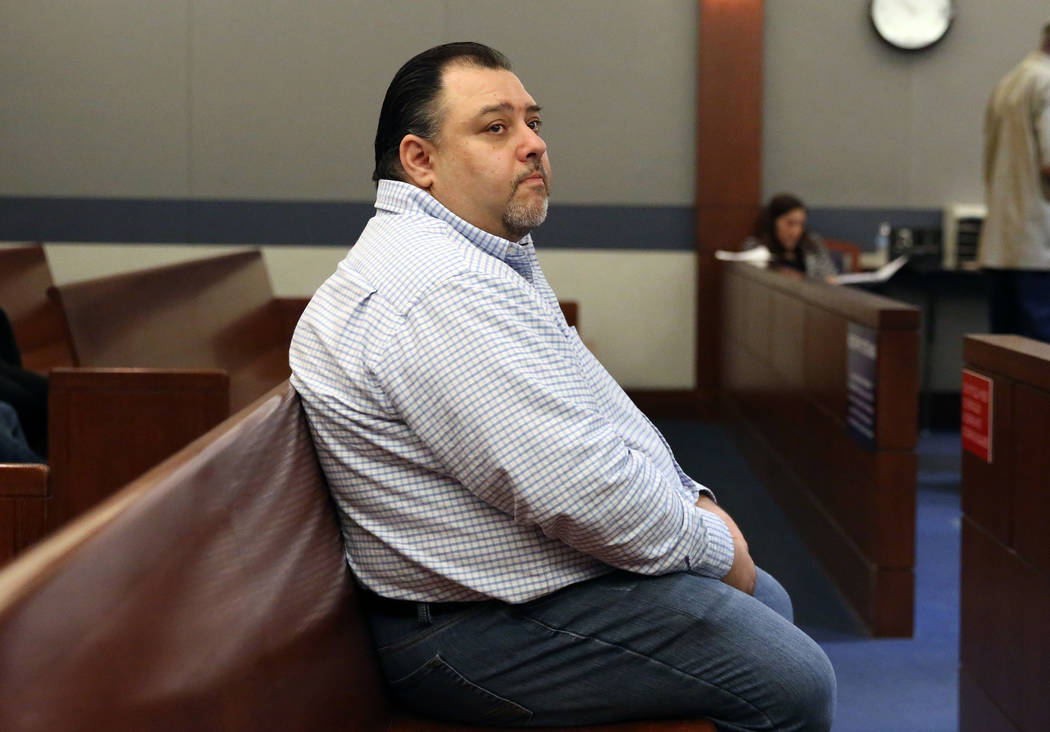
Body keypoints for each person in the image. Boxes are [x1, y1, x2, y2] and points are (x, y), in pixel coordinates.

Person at [290, 42, 834, 730]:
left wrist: (690, 506)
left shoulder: (478, 256)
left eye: (533, 123)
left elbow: (599, 416)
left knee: (769, 609)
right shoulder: (438, 289)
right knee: (793, 676)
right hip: (466, 632)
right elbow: (580, 486)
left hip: (518, 589)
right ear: (420, 161)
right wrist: (712, 544)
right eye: (496, 128)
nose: (532, 145)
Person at [978, 23, 1050, 343]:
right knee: (1039, 362)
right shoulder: (1047, 81)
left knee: (1007, 360)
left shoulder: (1009, 81)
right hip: (1039, 247)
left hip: (1002, 245)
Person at [744, 193, 839, 281]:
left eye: (801, 224)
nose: (796, 231)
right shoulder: (755, 247)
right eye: (790, 223)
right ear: (773, 223)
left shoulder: (813, 244)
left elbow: (830, 275)